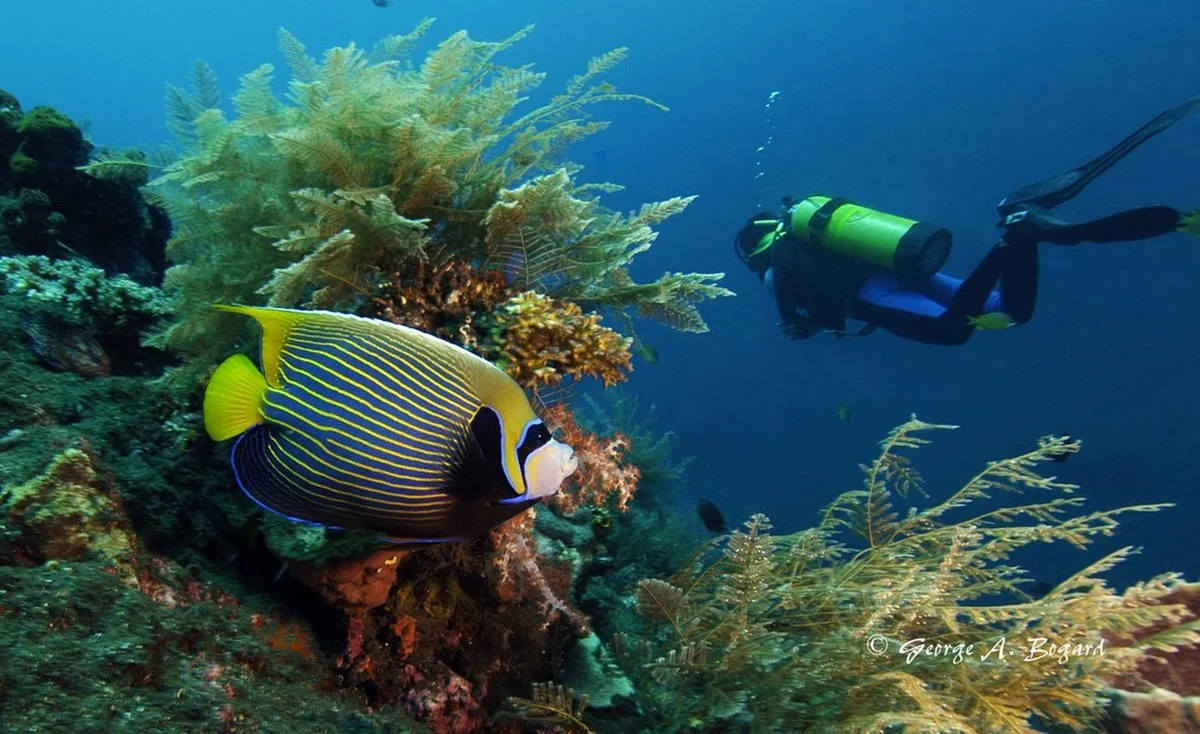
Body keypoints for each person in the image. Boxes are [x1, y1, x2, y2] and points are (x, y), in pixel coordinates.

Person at [735, 95, 1200, 346]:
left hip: (875, 290)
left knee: (953, 329)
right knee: (1004, 311)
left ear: (753, 252)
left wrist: (798, 327)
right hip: (899, 265)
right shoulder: (807, 240)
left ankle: (1014, 238)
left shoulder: (776, 270)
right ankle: (1022, 229)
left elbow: (796, 319)